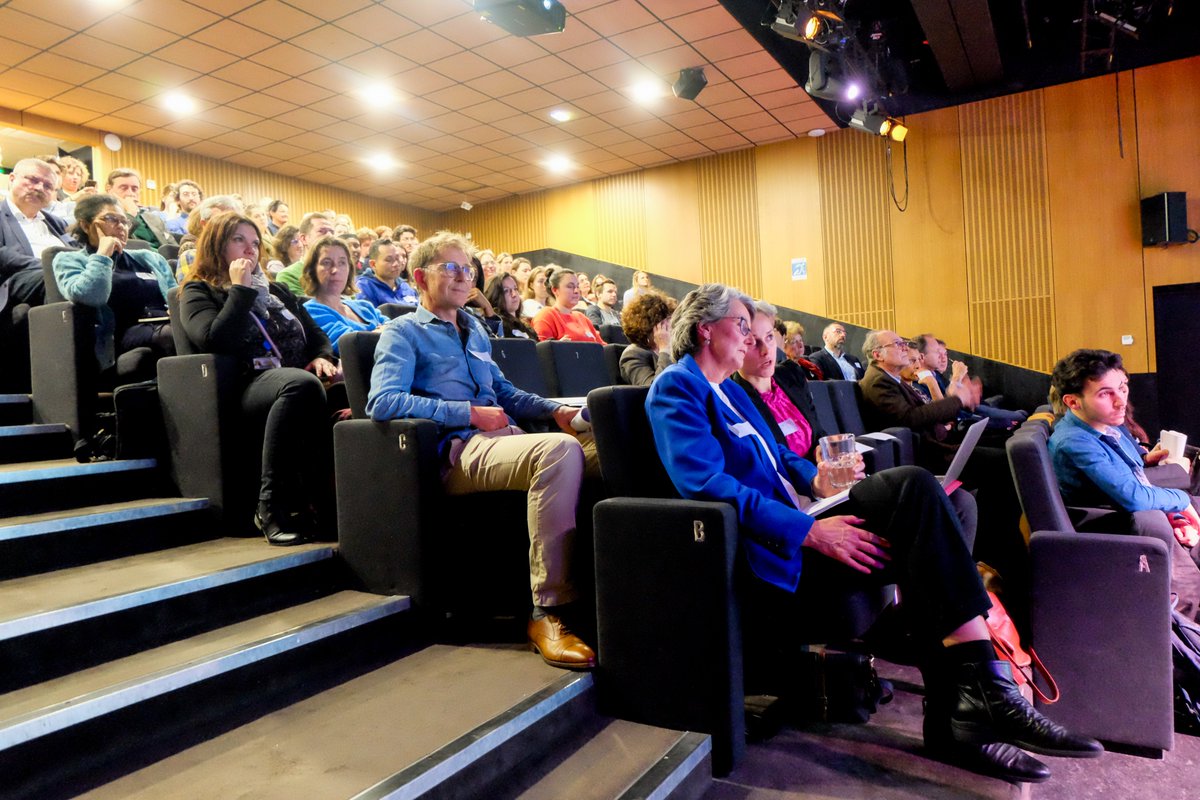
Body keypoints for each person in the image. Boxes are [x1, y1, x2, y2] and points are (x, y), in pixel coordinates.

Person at [645, 283, 1102, 783]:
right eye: (742, 326)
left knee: (920, 499)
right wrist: (812, 532)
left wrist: (815, 479)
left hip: (802, 517)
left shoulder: (731, 390)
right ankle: (977, 704)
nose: (754, 338)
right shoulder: (676, 388)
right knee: (913, 497)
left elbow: (780, 458)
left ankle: (978, 702)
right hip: (769, 551)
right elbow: (706, 484)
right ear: (707, 330)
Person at [367, 231, 597, 670]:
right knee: (558, 453)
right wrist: (467, 413)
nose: (461, 276)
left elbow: (505, 393)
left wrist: (558, 411)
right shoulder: (402, 332)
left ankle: (610, 590)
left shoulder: (474, 329)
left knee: (604, 443)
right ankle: (548, 610)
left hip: (500, 442)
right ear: (420, 277)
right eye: (449, 268)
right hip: (458, 453)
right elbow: (382, 402)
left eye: (466, 269)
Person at [180, 213, 337, 546]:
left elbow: (315, 333)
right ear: (217, 245)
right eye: (239, 240)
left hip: (294, 375)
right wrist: (241, 290)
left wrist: (323, 357)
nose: (250, 249)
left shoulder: (277, 290)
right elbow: (215, 340)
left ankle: (334, 507)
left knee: (342, 390)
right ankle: (268, 507)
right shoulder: (198, 290)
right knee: (300, 385)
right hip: (245, 384)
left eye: (254, 242)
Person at [1048, 349, 1200, 618]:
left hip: (1142, 513)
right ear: (1073, 402)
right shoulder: (1075, 441)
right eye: (1105, 393)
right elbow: (1133, 497)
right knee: (1191, 592)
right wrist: (1180, 502)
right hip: (1121, 526)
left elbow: (1133, 473)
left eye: (1123, 388)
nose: (1121, 402)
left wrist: (1149, 464)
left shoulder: (1107, 424)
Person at [53, 194, 176, 374]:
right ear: (85, 225)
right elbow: (91, 296)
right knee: (172, 335)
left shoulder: (150, 258)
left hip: (164, 322)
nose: (121, 226)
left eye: (124, 221)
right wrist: (102, 255)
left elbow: (175, 295)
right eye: (111, 219)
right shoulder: (69, 260)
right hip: (120, 334)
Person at [1, 157, 75, 392]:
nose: (39, 188)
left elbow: (76, 254)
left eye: (47, 185)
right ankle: (58, 380)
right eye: (32, 180)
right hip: (13, 283)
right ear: (12, 179)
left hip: (58, 278)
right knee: (55, 278)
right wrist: (49, 265)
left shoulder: (57, 223)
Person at [302, 236, 386, 356]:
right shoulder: (310, 311)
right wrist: (383, 332)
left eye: (342, 263)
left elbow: (398, 330)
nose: (335, 269)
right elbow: (351, 345)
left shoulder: (364, 306)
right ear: (312, 270)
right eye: (326, 263)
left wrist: (380, 333)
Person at [104, 168, 176, 250]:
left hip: (165, 259)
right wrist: (130, 214)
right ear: (109, 190)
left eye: (134, 189)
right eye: (124, 188)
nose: (130, 193)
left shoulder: (154, 218)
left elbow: (174, 248)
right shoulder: (103, 216)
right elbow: (115, 242)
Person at [531, 267, 604, 343]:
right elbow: (541, 350)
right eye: (570, 286)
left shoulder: (582, 318)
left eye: (577, 286)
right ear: (555, 290)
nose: (576, 291)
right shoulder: (546, 315)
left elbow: (603, 346)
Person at [618, 291, 674, 386]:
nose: (671, 326)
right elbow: (653, 388)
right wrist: (664, 349)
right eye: (667, 321)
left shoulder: (674, 349)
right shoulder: (632, 355)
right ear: (651, 326)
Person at [274, 212, 336, 295]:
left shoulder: (338, 271)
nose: (329, 236)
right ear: (303, 239)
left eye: (332, 232)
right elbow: (305, 307)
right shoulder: (288, 275)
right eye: (322, 231)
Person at [356, 239, 417, 307]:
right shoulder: (365, 287)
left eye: (397, 258)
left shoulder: (405, 286)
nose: (396, 264)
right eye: (389, 260)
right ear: (373, 264)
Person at [484, 273, 538, 339]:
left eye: (515, 289)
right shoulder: (497, 326)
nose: (514, 294)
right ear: (495, 296)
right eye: (506, 291)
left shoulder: (526, 326)